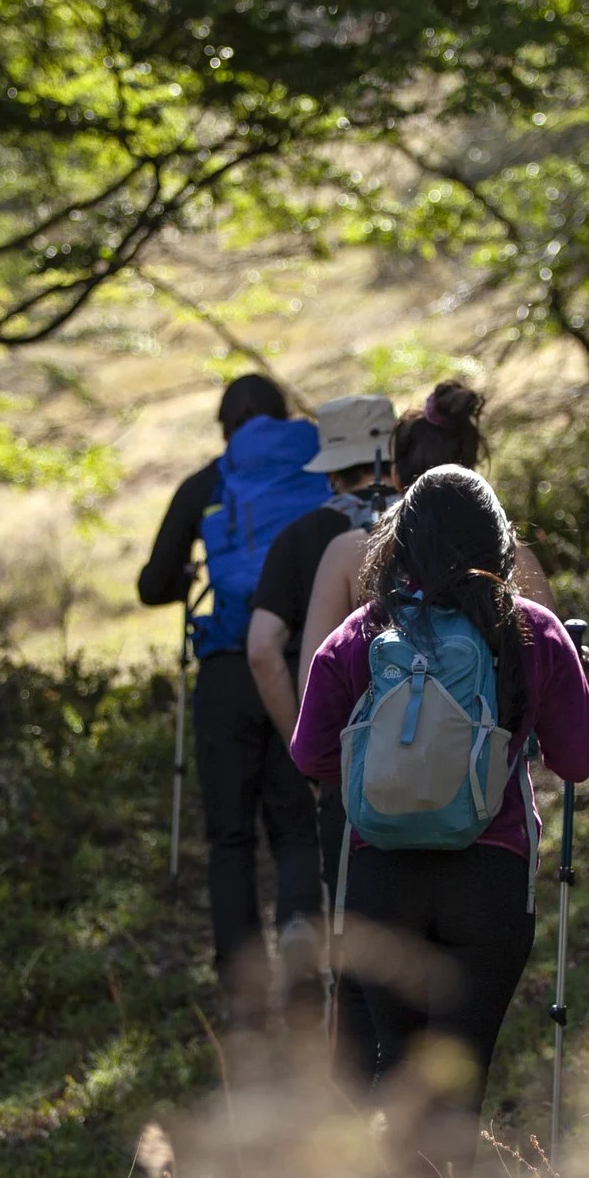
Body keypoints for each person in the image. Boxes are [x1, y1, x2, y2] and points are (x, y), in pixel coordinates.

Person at [289, 466, 589, 1175]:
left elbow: (310, 754)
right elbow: (579, 759)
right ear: (501, 547)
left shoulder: (360, 634)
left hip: (381, 876)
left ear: (398, 543)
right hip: (489, 878)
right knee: (458, 1078)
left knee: (395, 1074)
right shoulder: (532, 631)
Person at [137, 373, 328, 1020]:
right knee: (298, 822)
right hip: (300, 657)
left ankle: (242, 984)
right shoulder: (320, 463)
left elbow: (152, 584)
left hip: (226, 665)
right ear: (282, 414)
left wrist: (194, 571)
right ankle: (302, 940)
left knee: (230, 836)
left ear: (227, 428)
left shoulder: (209, 483)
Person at [243, 393, 399, 1059]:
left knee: (357, 932)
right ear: (389, 453)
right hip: (455, 766)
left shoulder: (303, 539)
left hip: (351, 769)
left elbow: (262, 646)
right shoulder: (442, 522)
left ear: (330, 468)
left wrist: (308, 752)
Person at [294, 380, 551, 697]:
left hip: (383, 745)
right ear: (473, 472)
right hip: (497, 743)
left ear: (395, 475)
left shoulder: (349, 552)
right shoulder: (516, 556)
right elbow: (551, 671)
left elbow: (314, 683)